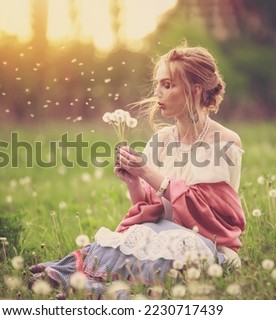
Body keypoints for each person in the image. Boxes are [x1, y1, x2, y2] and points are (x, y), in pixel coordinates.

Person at [29, 43, 246, 299]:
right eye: (157, 85)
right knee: (131, 238)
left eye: (167, 85)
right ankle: (80, 283)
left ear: (195, 90)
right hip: (162, 230)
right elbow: (154, 207)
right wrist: (134, 181)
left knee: (170, 252)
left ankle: (101, 292)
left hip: (204, 242)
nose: (158, 93)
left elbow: (206, 214)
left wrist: (147, 173)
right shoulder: (163, 139)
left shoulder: (224, 142)